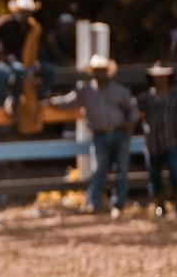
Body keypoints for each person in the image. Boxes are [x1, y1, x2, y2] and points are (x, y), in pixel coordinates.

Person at [46, 54, 137, 217]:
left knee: (121, 169)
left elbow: (132, 108)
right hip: (100, 134)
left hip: (120, 133)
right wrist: (51, 102)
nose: (99, 74)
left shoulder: (119, 90)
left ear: (107, 71)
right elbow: (69, 101)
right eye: (96, 70)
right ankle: (94, 203)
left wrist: (130, 122)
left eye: (102, 70)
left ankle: (118, 204)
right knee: (99, 168)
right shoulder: (86, 91)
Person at [136, 63, 177, 217]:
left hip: (172, 141)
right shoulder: (146, 97)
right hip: (152, 143)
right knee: (154, 176)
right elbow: (132, 113)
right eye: (158, 76)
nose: (160, 79)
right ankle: (160, 204)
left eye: (163, 76)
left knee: (176, 173)